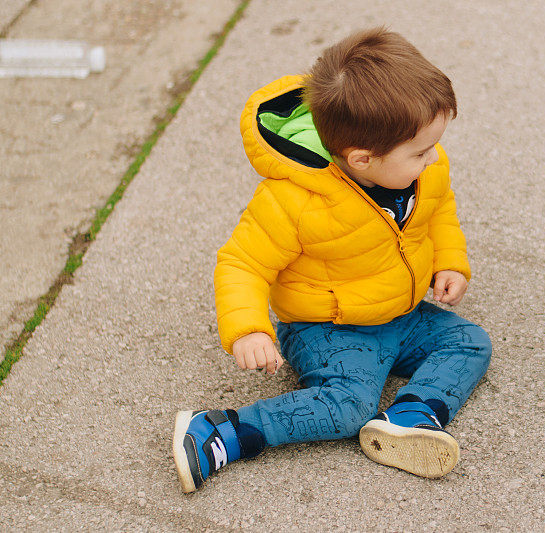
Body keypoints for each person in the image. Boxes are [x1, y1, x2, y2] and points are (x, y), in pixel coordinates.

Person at [172, 27, 492, 493]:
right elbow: (241, 263)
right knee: (345, 408)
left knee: (470, 342)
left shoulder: (425, 168)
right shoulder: (293, 201)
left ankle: (409, 415)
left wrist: (449, 261)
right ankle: (218, 431)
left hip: (399, 314)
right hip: (328, 328)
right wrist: (249, 329)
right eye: (419, 151)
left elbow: (440, 209)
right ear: (362, 159)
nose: (432, 158)